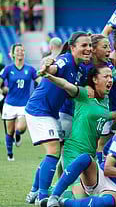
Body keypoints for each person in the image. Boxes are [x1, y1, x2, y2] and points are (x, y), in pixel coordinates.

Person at [24, 32, 91, 204]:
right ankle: (43, 196)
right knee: (54, 151)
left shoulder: (81, 69)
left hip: (51, 113)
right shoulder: (66, 59)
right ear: (72, 47)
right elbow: (54, 68)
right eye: (84, 45)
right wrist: (48, 66)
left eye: (90, 45)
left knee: (52, 154)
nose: (88, 49)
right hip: (39, 109)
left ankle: (34, 191)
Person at [46, 106, 116, 207]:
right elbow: (107, 169)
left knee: (107, 203)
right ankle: (54, 196)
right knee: (85, 158)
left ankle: (63, 203)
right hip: (99, 176)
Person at [38, 65, 116, 198]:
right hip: (73, 152)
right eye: (106, 76)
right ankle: (47, 194)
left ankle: (54, 191)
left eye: (111, 77)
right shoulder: (84, 95)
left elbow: (108, 115)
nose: (110, 79)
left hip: (89, 157)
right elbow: (66, 85)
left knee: (90, 197)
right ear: (95, 79)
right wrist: (49, 76)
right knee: (81, 199)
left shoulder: (105, 100)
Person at [0, 44, 40, 161]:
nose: (20, 52)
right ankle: (10, 154)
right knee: (9, 131)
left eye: (22, 50)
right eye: (18, 50)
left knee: (21, 128)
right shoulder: (8, 69)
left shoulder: (31, 69)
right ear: (12, 54)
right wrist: (2, 89)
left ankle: (18, 135)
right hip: (10, 104)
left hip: (24, 104)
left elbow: (40, 81)